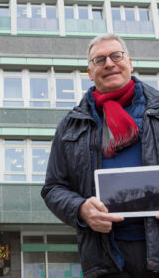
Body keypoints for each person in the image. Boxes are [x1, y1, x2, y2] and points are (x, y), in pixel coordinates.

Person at [41, 33, 159, 278]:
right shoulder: (70, 125)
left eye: (116, 56)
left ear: (130, 62)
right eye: (99, 60)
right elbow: (53, 188)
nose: (109, 63)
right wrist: (81, 208)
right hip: (105, 259)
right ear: (90, 73)